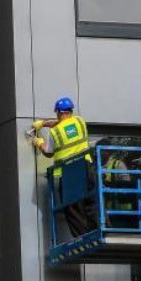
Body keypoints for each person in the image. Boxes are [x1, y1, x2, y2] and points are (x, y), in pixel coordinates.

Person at [32, 96, 95, 236]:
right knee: (92, 201)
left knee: (72, 208)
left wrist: (39, 142)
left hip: (69, 173)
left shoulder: (55, 132)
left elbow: (48, 152)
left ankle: (82, 236)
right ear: (70, 111)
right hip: (87, 167)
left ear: (58, 113)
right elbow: (63, 124)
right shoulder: (79, 121)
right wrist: (44, 124)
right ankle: (101, 229)